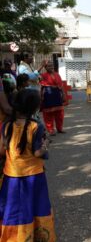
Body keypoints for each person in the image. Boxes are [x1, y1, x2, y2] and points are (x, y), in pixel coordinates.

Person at [0, 89, 56, 241]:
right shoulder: (36, 126)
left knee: (14, 208)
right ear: (35, 108)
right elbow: (38, 153)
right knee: (36, 206)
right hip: (34, 176)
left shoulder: (6, 125)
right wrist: (46, 143)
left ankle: (13, 237)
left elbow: (2, 150)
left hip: (11, 176)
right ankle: (38, 236)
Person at [40, 62, 66, 136]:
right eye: (49, 66)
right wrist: (41, 97)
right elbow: (41, 87)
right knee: (48, 114)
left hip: (57, 95)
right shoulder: (43, 75)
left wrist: (63, 94)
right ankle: (50, 130)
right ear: (45, 68)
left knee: (59, 113)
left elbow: (61, 85)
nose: (51, 67)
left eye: (52, 66)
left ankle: (59, 128)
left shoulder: (57, 74)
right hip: (48, 95)